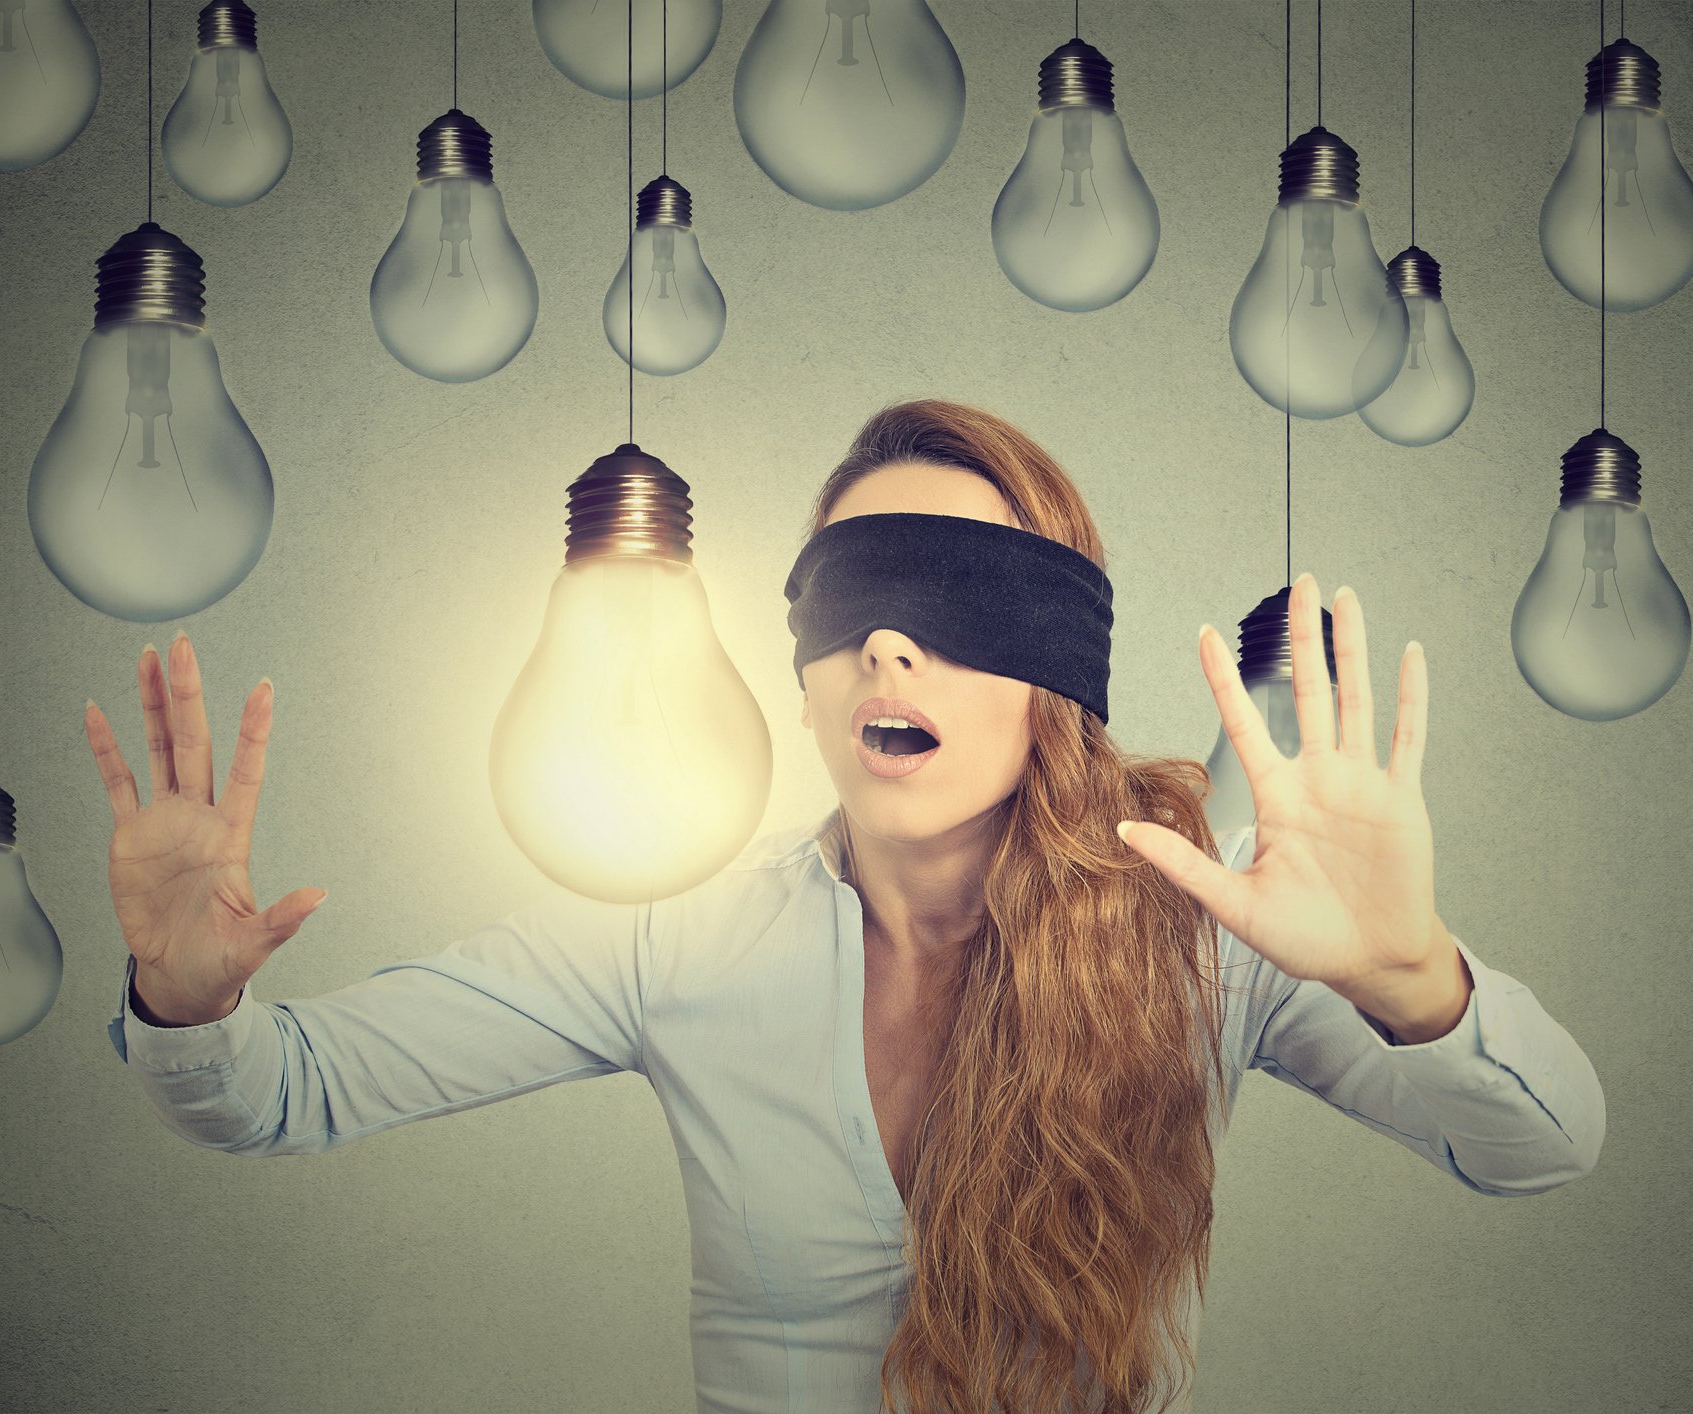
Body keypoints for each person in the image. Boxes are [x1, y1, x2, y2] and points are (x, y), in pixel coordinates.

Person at [85, 399, 1605, 1414]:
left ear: (1052, 673)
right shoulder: (663, 928)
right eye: (853, 604)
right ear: (800, 675)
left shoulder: (1205, 942)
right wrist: (185, 990)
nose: (890, 649)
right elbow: (270, 1095)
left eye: (951, 609)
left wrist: (1414, 977)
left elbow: (1539, 1144)